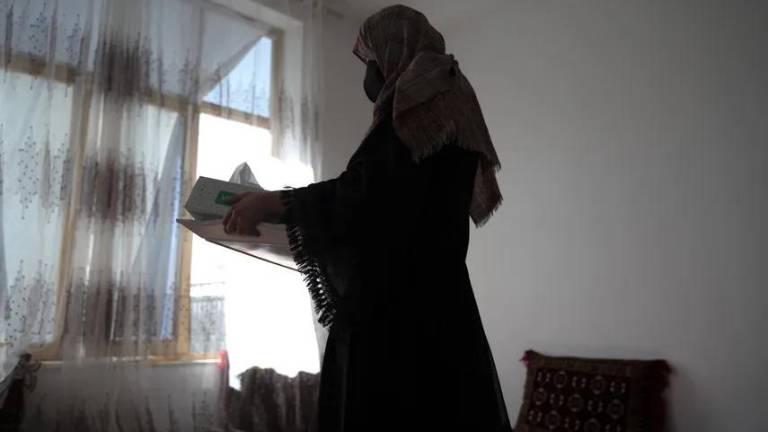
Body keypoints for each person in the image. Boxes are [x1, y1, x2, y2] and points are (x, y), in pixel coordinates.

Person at [223, 5, 512, 432]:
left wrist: (273, 204)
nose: (369, 74)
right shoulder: (450, 103)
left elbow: (363, 199)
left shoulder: (416, 105)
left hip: (395, 323)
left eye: (370, 60)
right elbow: (393, 208)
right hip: (441, 312)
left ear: (392, 54)